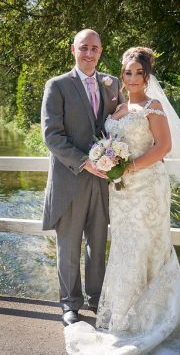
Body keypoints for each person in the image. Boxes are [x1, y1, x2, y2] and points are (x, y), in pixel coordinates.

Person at [64, 47, 180, 354]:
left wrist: (129, 166)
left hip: (148, 188)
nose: (132, 78)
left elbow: (163, 146)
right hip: (121, 191)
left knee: (148, 247)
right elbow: (110, 143)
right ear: (122, 75)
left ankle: (155, 316)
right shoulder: (119, 109)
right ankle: (127, 316)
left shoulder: (153, 108)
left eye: (138, 73)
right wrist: (106, 161)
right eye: (127, 73)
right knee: (126, 248)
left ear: (147, 75)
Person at [41, 29, 125, 326]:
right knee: (69, 246)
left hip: (103, 182)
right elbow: (52, 136)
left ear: (101, 51)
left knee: (98, 244)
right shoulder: (58, 86)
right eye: (84, 48)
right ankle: (70, 304)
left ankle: (98, 300)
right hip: (71, 179)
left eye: (95, 48)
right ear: (73, 50)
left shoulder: (112, 83)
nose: (89, 54)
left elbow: (120, 127)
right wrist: (85, 163)